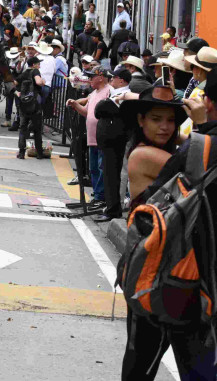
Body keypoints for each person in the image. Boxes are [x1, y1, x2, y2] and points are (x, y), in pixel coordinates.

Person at [119, 77, 216, 380]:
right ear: (141, 120)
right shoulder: (143, 154)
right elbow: (198, 168)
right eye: (156, 119)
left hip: (176, 265)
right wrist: (201, 126)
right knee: (142, 360)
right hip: (152, 267)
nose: (164, 127)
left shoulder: (172, 148)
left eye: (171, 120)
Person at [66, 68, 111, 206]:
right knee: (93, 168)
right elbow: (86, 112)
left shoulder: (109, 91)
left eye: (92, 77)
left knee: (101, 167)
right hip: (92, 137)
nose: (90, 79)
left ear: (101, 77)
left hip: (103, 136)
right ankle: (97, 195)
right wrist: (75, 105)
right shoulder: (93, 93)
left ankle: (101, 197)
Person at [15, 54, 45, 159]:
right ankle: (39, 153)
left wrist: (17, 93)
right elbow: (38, 82)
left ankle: (21, 153)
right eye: (38, 64)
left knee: (23, 128)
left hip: (23, 105)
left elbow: (13, 83)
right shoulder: (35, 71)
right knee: (37, 129)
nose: (39, 66)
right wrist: (43, 82)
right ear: (34, 65)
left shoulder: (23, 74)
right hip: (35, 105)